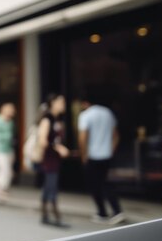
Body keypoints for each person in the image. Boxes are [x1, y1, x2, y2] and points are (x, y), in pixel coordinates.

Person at [78, 95, 125, 225]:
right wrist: (111, 150)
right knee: (105, 182)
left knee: (94, 185)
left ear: (85, 103)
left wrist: (84, 155)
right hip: (106, 155)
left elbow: (82, 137)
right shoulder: (108, 113)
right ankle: (115, 210)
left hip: (93, 155)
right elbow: (116, 135)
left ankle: (103, 212)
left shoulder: (86, 115)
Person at [38, 94, 70, 227]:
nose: (63, 104)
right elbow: (42, 141)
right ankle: (56, 216)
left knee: (48, 186)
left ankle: (45, 214)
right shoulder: (47, 119)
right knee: (51, 186)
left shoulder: (57, 119)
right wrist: (58, 148)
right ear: (53, 103)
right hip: (49, 158)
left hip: (54, 158)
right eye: (61, 102)